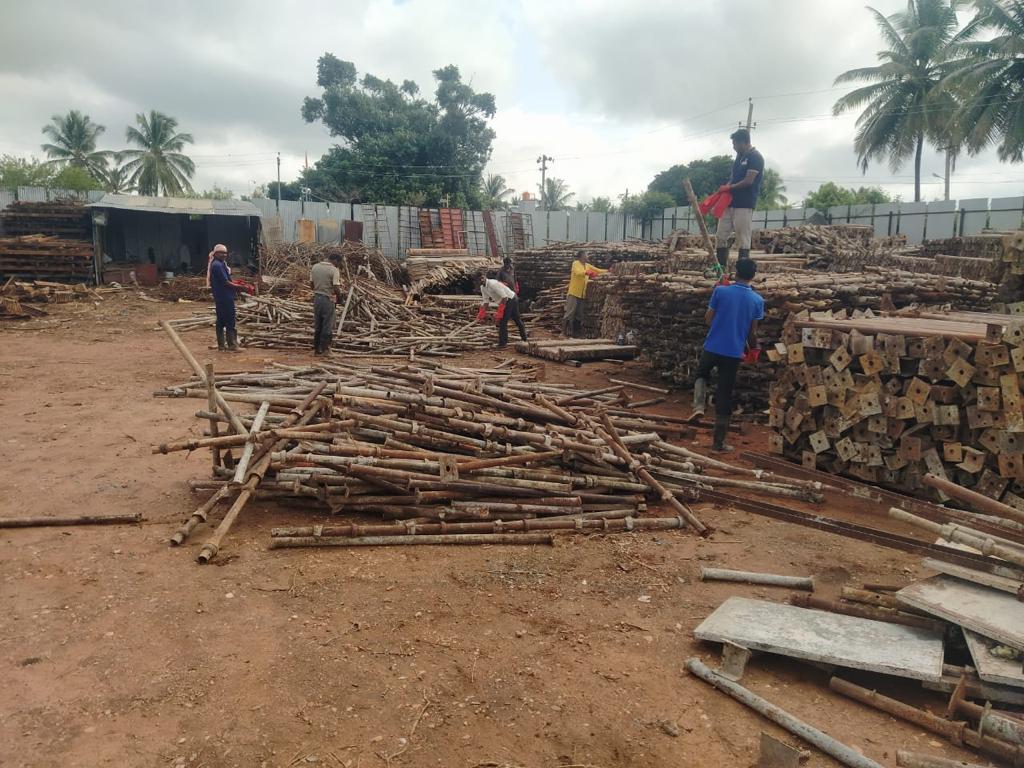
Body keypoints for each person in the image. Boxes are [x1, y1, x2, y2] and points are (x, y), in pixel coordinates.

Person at [692, 257, 764, 452]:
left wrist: (719, 324)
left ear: (736, 272)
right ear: (753, 276)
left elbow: (708, 319)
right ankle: (718, 443)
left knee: (701, 374)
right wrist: (754, 350)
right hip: (733, 352)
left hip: (713, 346)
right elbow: (752, 333)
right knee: (724, 394)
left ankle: (698, 406)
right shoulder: (757, 300)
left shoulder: (720, 291)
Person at [714, 128, 764, 269]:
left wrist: (729, 188)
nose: (734, 147)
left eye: (735, 144)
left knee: (743, 238)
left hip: (744, 204)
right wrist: (722, 192)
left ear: (743, 142)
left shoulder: (755, 157)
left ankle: (741, 272)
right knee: (720, 235)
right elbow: (733, 179)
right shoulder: (739, 158)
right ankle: (721, 269)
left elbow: (748, 181)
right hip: (730, 203)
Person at [477, 272, 527, 349]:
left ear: (485, 276)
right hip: (508, 299)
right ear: (476, 281)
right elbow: (486, 302)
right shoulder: (483, 288)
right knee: (516, 319)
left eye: (482, 278)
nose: (482, 280)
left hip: (510, 299)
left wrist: (500, 311)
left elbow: (504, 297)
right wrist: (481, 314)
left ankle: (503, 343)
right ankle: (524, 339)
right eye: (479, 279)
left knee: (503, 321)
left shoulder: (493, 284)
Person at [563, 251, 607, 338]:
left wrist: (608, 271)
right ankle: (564, 332)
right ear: (581, 256)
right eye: (586, 254)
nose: (587, 256)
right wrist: (586, 272)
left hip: (582, 294)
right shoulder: (576, 263)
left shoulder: (587, 265)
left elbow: (598, 271)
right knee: (570, 313)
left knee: (579, 315)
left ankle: (576, 333)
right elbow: (578, 272)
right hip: (574, 293)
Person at [208, 244, 241, 352]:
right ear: (216, 253)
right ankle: (232, 345)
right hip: (225, 297)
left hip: (220, 296)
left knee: (221, 321)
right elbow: (225, 282)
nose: (224, 255)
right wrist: (239, 287)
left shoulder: (219, 264)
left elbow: (226, 280)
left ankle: (221, 346)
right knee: (230, 320)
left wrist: (236, 284)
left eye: (225, 253)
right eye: (221, 253)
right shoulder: (217, 265)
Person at [311, 253, 345, 355]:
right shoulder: (334, 270)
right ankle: (326, 349)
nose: (338, 265)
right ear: (335, 260)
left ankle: (317, 349)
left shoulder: (315, 267)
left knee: (318, 324)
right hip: (327, 299)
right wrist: (340, 299)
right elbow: (336, 287)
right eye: (339, 262)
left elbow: (311, 284)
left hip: (317, 299)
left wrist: (318, 289)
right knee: (327, 324)